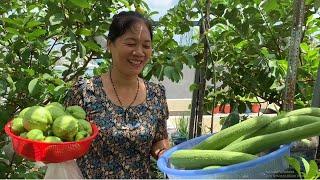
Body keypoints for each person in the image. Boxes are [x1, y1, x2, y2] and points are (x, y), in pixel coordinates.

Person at [64, 11, 170, 179]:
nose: (139, 52)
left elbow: (159, 139)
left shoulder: (156, 94)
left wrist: (163, 152)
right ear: (110, 44)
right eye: (131, 43)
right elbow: (64, 138)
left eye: (146, 46)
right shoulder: (85, 91)